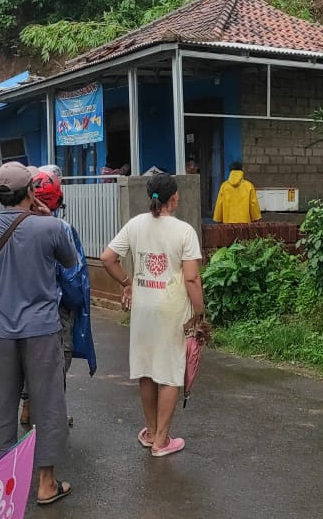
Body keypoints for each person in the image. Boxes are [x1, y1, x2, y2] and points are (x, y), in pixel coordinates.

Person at [0, 161, 78, 506]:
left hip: (1, 329)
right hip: (43, 329)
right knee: (47, 404)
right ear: (30, 191)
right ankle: (46, 484)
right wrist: (46, 217)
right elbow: (71, 262)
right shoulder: (51, 228)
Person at [100, 173, 204, 458]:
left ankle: (149, 431)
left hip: (143, 309)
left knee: (146, 370)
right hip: (172, 310)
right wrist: (199, 312)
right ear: (174, 198)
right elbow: (192, 279)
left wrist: (127, 283)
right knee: (170, 372)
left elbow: (107, 257)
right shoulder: (184, 231)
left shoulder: (135, 224)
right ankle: (161, 441)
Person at [22, 168, 96, 427]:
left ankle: (28, 408)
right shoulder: (60, 228)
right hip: (56, 306)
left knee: (29, 357)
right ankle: (52, 414)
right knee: (57, 358)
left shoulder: (12, 224)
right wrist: (77, 304)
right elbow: (73, 273)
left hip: (20, 306)